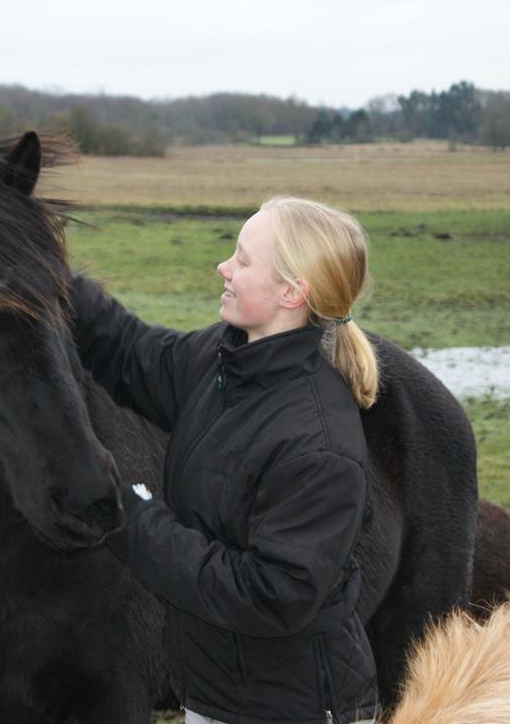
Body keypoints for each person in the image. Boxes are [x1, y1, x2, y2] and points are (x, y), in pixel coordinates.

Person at [71, 196, 382, 724]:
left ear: (291, 291)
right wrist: (46, 269)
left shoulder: (319, 443)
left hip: (291, 710)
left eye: (241, 259)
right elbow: (128, 353)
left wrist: (139, 522)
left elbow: (268, 596)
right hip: (219, 697)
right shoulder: (224, 360)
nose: (224, 267)